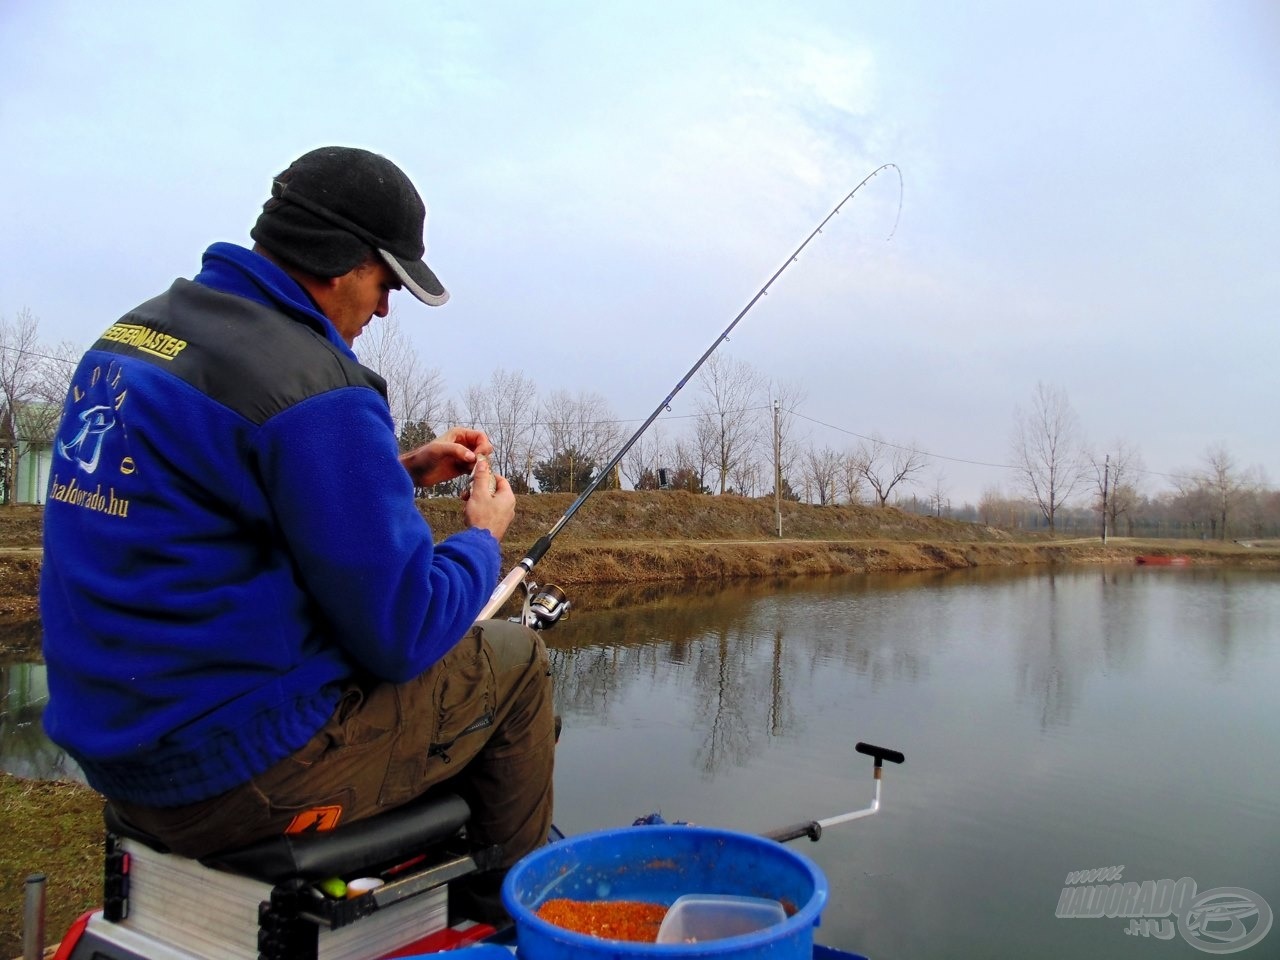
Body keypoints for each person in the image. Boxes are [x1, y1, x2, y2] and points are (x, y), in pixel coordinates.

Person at [39, 146, 554, 917]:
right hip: (234, 776)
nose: (384, 310)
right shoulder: (317, 387)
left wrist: (392, 472)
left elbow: (215, 495)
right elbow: (403, 632)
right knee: (515, 665)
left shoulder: (134, 341)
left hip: (116, 757)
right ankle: (506, 920)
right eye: (387, 284)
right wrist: (481, 538)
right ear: (343, 262)